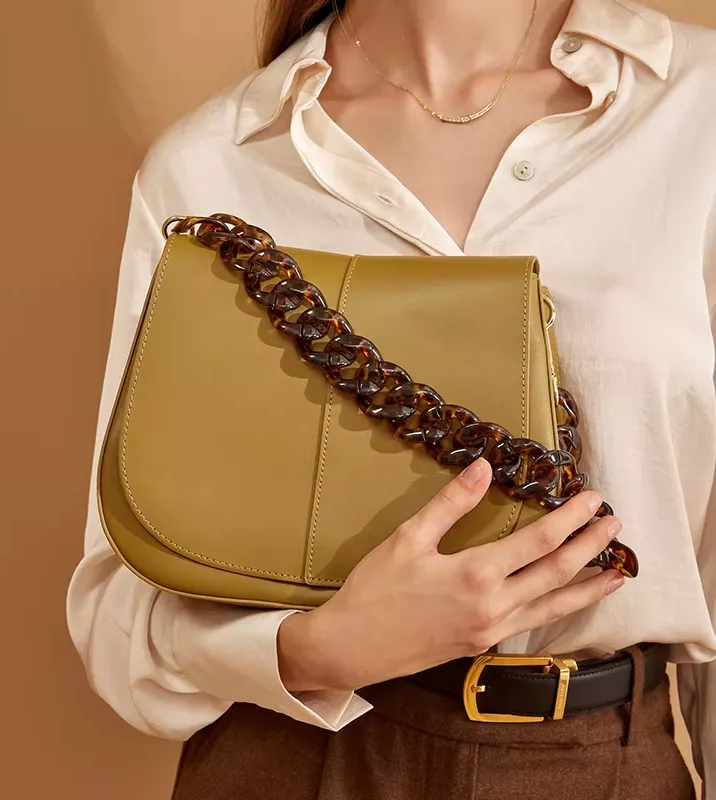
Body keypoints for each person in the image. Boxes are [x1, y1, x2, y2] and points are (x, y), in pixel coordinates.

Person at [66, 0, 716, 797]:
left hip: (598, 761)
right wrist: (318, 650)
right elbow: (116, 612)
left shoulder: (697, 105)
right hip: (294, 758)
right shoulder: (214, 162)